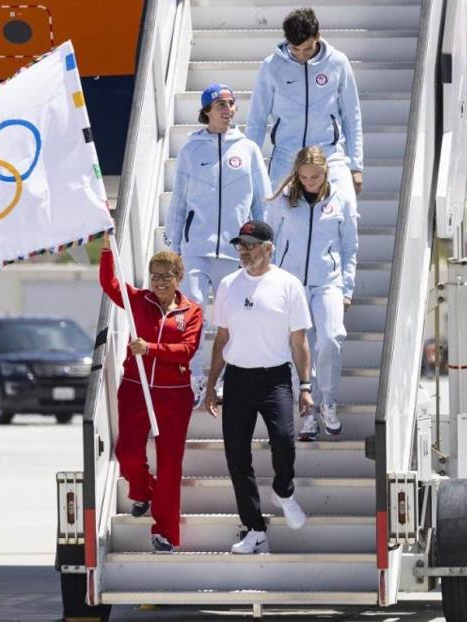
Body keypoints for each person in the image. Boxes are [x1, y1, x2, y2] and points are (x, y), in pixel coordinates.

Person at [205, 220, 313, 554]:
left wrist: (306, 385)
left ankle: (284, 490)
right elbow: (222, 337)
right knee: (237, 456)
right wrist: (211, 384)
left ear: (269, 248)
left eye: (251, 245)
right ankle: (254, 529)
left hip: (275, 378)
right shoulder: (227, 284)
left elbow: (299, 342)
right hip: (237, 378)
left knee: (283, 441)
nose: (244, 251)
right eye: (241, 245)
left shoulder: (288, 284)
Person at [164, 82, 271, 407]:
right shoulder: (190, 150)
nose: (228, 109)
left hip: (235, 252)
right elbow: (179, 203)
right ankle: (194, 378)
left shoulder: (248, 149)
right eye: (221, 104)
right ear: (207, 111)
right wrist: (173, 249)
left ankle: (222, 380)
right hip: (197, 248)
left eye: (231, 103)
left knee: (231, 318)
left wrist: (264, 246)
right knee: (193, 311)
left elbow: (261, 204)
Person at [100, 232, 203, 553]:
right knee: (127, 453)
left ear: (179, 277)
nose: (159, 282)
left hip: (174, 395)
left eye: (166, 276)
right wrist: (106, 251)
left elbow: (186, 350)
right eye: (154, 276)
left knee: (170, 464)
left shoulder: (192, 312)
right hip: (135, 387)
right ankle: (143, 490)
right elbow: (110, 284)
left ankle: (165, 532)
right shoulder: (138, 301)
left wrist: (151, 348)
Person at [265, 146, 358, 440]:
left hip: (328, 282)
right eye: (304, 177)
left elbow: (349, 247)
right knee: (299, 347)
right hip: (290, 285)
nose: (310, 182)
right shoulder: (283, 200)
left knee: (330, 339)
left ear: (326, 172)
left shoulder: (340, 198)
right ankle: (306, 412)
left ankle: (327, 401)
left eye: (315, 176)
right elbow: (270, 241)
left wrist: (347, 287)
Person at [245, 7, 363, 203]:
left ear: (318, 35)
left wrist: (356, 166)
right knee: (274, 217)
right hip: (285, 157)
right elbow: (256, 119)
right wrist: (249, 165)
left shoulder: (338, 63)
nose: (301, 55)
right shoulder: (271, 66)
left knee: (346, 207)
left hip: (329, 155)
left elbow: (352, 116)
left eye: (307, 48)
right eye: (295, 49)